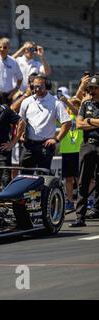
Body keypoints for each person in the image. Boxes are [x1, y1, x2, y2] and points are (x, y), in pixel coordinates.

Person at [17, 75, 71, 172]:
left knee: (44, 175)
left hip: (45, 146)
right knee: (24, 175)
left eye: (40, 87)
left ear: (47, 86)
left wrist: (57, 139)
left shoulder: (56, 103)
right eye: (34, 87)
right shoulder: (26, 101)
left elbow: (67, 122)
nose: (36, 89)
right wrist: (20, 133)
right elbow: (21, 120)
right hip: (28, 145)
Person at [71, 76, 99, 227]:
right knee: (83, 181)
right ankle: (80, 216)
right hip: (88, 144)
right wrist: (92, 122)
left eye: (95, 88)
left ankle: (96, 209)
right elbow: (79, 124)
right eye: (90, 88)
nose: (92, 91)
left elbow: (84, 122)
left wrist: (88, 121)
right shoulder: (86, 104)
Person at [58, 96, 83, 210]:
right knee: (68, 178)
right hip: (67, 151)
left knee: (79, 178)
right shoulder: (64, 118)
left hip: (79, 150)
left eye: (75, 104)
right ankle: (69, 200)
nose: (72, 106)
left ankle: (82, 200)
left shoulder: (80, 116)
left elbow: (77, 112)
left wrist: (67, 102)